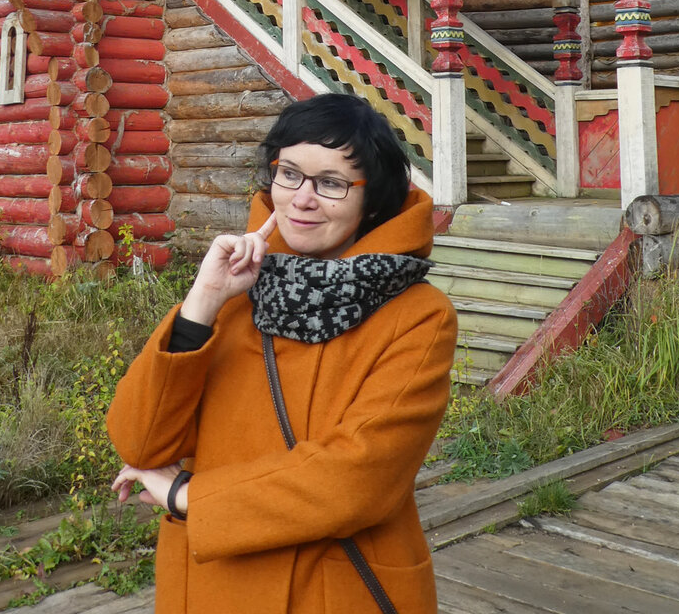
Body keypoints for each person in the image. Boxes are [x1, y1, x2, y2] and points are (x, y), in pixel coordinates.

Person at [106, 92, 457, 614]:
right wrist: (202, 301)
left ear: (374, 200)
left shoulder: (418, 316)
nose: (301, 199)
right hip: (210, 587)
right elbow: (139, 440)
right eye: (288, 173)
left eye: (331, 183)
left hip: (333, 589)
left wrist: (187, 495)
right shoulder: (233, 292)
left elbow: (357, 478)